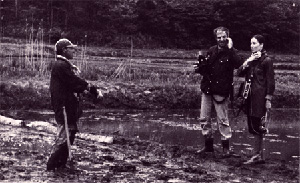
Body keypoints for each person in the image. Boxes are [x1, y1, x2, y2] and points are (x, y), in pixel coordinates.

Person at [47, 38, 101, 171]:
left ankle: (61, 165)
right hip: (64, 107)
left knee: (69, 134)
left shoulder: (64, 65)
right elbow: (74, 82)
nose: (74, 51)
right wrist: (92, 89)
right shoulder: (61, 66)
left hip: (68, 106)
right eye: (71, 48)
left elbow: (74, 84)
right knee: (64, 136)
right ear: (64, 50)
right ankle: (53, 165)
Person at [194, 27, 242, 157]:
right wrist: (199, 67)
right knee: (204, 118)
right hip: (207, 88)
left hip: (221, 90)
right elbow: (207, 69)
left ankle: (226, 148)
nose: (221, 39)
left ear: (228, 37)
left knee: (222, 119)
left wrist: (231, 49)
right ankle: (208, 146)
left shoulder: (232, 52)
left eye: (223, 37)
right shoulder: (211, 50)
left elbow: (239, 65)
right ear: (216, 38)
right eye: (219, 37)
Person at [238, 35, 275, 164]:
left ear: (261, 45)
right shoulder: (252, 60)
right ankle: (258, 155)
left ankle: (257, 155)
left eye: (254, 43)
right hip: (249, 97)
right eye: (251, 43)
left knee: (258, 125)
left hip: (260, 98)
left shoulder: (266, 61)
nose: (252, 46)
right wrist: (248, 61)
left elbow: (271, 81)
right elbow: (239, 72)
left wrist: (268, 98)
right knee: (252, 125)